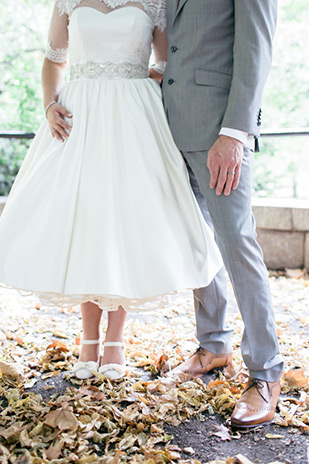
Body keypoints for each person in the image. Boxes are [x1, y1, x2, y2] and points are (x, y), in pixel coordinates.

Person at [0, 1, 223, 381]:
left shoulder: (154, 2)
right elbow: (54, 60)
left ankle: (115, 342)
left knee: (123, 220)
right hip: (79, 119)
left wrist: (130, 85)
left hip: (133, 117)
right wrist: (50, 104)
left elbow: (169, 64)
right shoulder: (68, 1)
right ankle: (88, 342)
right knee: (87, 217)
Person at [162, 0, 284, 428]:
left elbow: (257, 47)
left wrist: (235, 132)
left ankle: (267, 373)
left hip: (220, 131)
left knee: (236, 241)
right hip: (170, 127)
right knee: (198, 239)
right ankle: (213, 344)